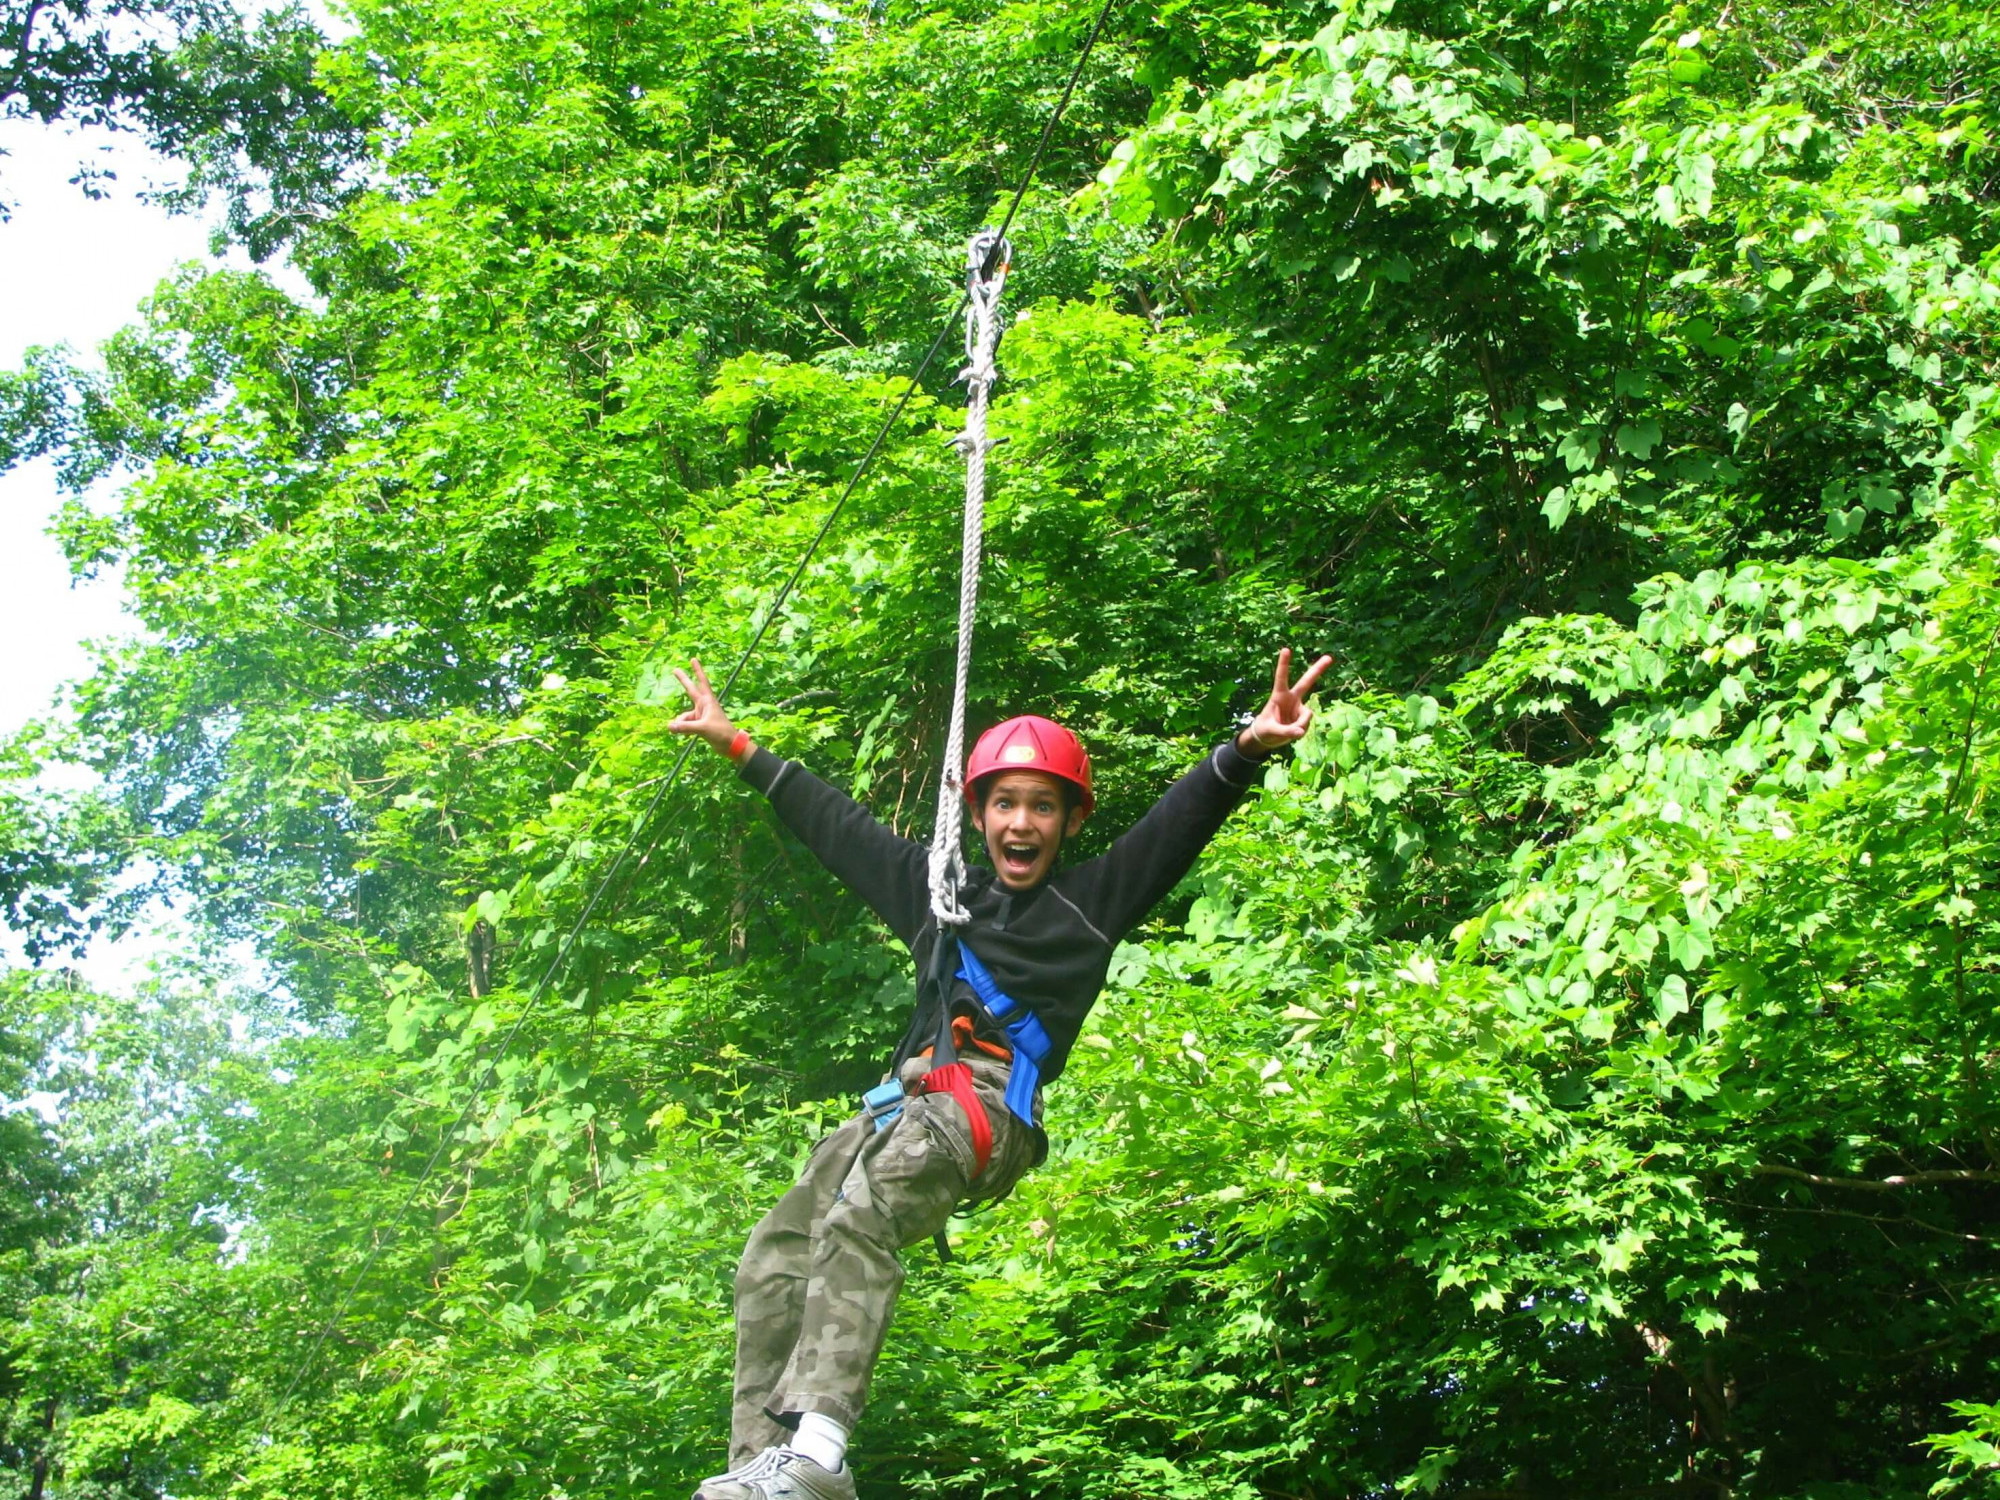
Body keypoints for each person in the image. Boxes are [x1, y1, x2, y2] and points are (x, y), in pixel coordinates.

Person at [666, 648, 1332, 1500]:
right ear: (977, 813)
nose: (1023, 823)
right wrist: (739, 746)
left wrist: (1246, 749)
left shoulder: (1089, 908)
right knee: (776, 1250)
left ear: (1070, 824)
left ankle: (819, 1456)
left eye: (1043, 807)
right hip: (904, 1105)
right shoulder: (936, 896)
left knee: (860, 1221)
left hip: (983, 1110)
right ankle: (758, 1470)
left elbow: (1175, 828)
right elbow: (840, 828)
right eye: (1007, 803)